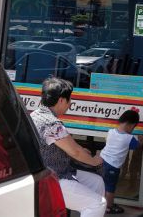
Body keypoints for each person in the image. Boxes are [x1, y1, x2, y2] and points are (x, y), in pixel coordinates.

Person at [30, 78, 106, 217]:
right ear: (61, 100)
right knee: (98, 204)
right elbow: (75, 152)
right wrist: (95, 161)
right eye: (69, 99)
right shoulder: (51, 123)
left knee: (97, 182)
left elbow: (69, 145)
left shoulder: (35, 115)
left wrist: (82, 151)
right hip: (52, 178)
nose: (70, 103)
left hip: (50, 172)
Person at [100, 110, 143, 214]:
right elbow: (136, 146)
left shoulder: (111, 132)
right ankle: (109, 207)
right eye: (133, 128)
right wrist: (141, 141)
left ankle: (103, 203)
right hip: (112, 166)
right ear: (131, 125)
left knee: (103, 185)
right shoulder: (128, 138)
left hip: (102, 161)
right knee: (110, 188)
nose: (133, 130)